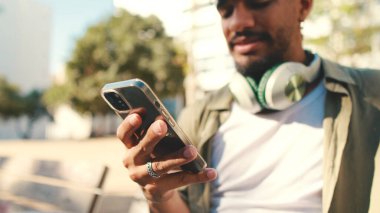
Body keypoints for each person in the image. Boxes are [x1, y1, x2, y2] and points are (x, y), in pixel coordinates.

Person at [116, 0, 380, 212]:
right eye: (225, 9)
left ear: (304, 6)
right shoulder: (199, 114)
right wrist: (160, 196)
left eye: (258, 2)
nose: (238, 22)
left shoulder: (370, 94)